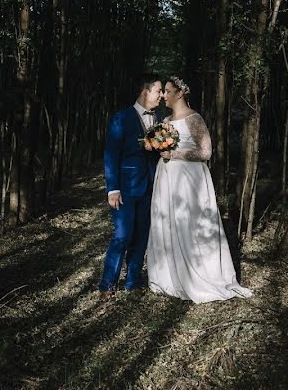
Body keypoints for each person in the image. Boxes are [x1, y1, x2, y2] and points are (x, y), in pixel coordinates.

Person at [147, 76, 253, 303]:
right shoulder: (165, 119)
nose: (163, 95)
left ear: (179, 93)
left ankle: (200, 275)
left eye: (167, 91)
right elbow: (159, 144)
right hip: (166, 178)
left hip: (189, 180)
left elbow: (206, 153)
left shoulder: (194, 118)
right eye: (162, 91)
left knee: (190, 223)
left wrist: (174, 154)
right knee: (169, 221)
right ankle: (171, 276)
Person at [98, 73, 163, 297]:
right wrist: (112, 189)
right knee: (123, 234)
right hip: (125, 188)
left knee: (142, 235)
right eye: (158, 91)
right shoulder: (122, 117)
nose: (161, 96)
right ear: (145, 92)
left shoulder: (160, 120)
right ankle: (107, 284)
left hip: (149, 187)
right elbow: (111, 154)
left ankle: (133, 282)